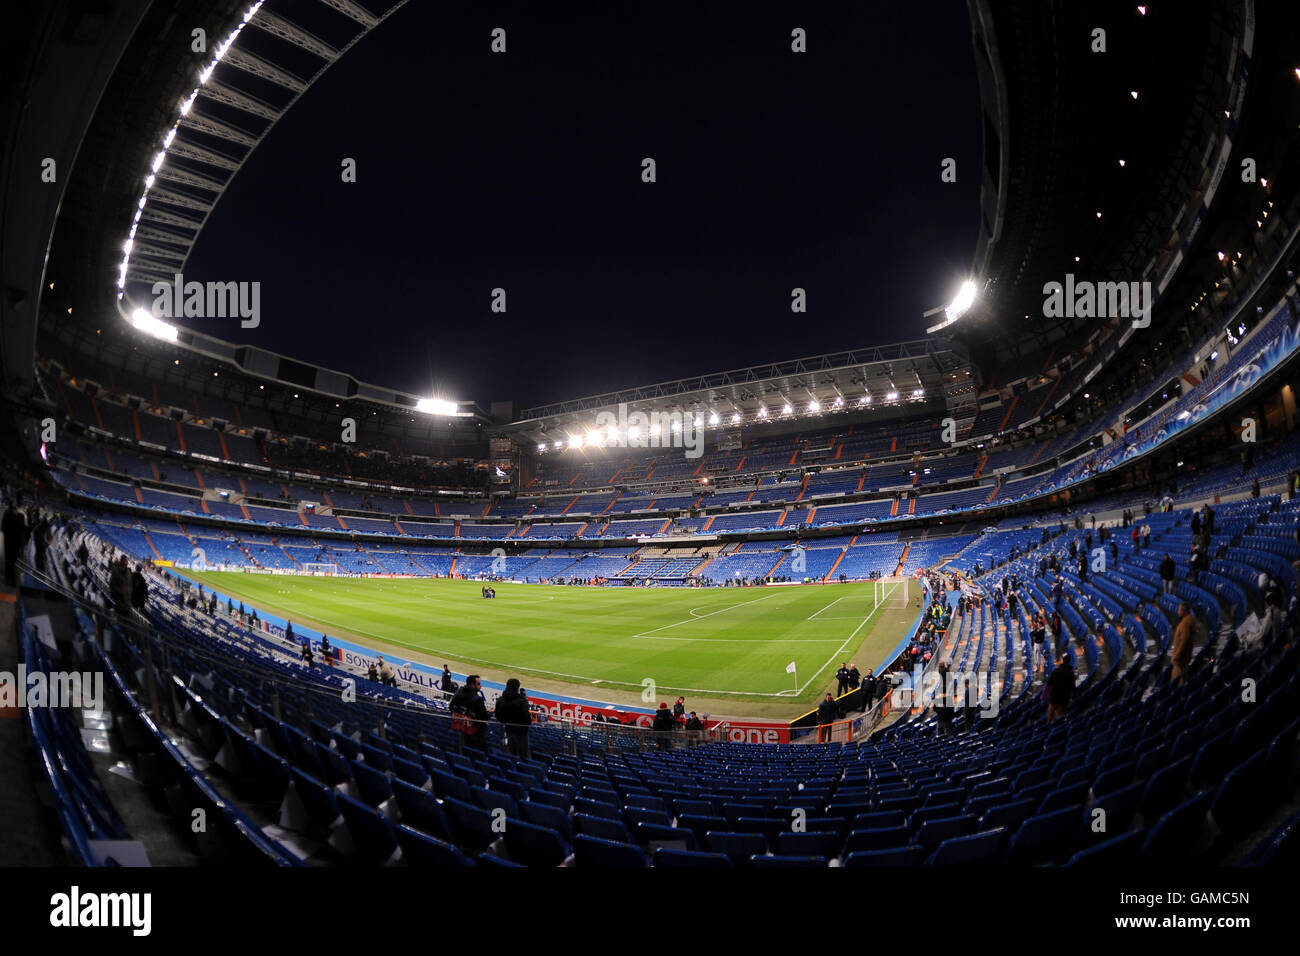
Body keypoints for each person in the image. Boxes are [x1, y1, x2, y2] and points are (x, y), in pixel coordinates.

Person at [494, 678, 532, 759]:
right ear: (517, 688)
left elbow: (497, 715)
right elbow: (528, 720)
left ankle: (513, 767)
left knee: (511, 752)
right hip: (521, 733)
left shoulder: (501, 700)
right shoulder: (521, 701)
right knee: (523, 755)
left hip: (508, 730)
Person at [451, 675, 490, 752]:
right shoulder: (477, 699)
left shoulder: (459, 693)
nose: (480, 686)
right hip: (474, 731)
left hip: (460, 727)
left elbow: (451, 707)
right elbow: (484, 717)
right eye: (478, 684)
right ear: (472, 685)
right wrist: (488, 713)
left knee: (464, 746)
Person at [2, 500, 27, 587]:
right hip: (14, 543)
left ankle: (8, 580)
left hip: (8, 542)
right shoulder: (18, 517)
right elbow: (21, 530)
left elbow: (3, 528)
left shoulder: (7, 515)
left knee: (8, 562)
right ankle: (12, 581)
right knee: (12, 562)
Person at [1171, 602, 1195, 686]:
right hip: (1182, 657)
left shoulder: (1185, 623)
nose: (1178, 612)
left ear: (1184, 611)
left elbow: (1184, 642)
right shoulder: (1189, 619)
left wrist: (1175, 657)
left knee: (1178, 681)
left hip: (1180, 659)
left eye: (1179, 610)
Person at [1046, 653, 1073, 721]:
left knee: (1050, 713)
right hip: (1063, 697)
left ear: (1062, 660)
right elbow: (1072, 687)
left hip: (1054, 695)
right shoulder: (1070, 673)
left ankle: (1049, 726)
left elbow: (1049, 683)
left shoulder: (1056, 671)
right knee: (1059, 714)